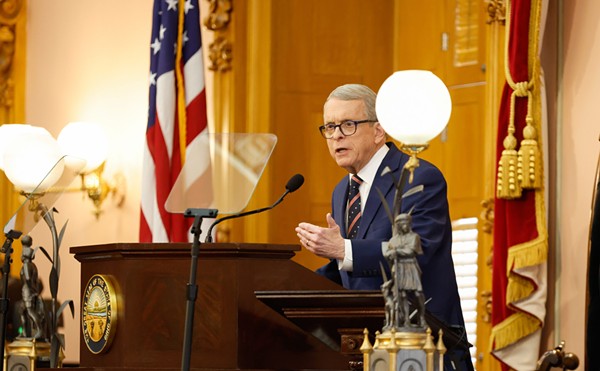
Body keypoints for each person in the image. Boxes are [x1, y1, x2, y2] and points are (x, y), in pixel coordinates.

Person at [295, 83, 473, 370]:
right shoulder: (343, 190)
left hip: (422, 345)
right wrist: (286, 282)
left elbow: (415, 252)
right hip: (364, 345)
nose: (336, 134)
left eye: (348, 124)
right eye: (329, 127)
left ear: (379, 131)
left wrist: (344, 249)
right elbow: (346, 270)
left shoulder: (418, 177)